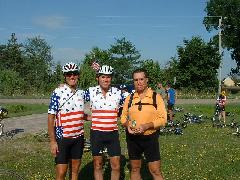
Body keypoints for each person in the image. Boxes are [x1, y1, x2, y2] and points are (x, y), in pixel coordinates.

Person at [121, 68, 167, 180]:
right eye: (136, 80)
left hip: (150, 138)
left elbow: (163, 119)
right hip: (133, 138)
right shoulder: (130, 98)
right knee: (135, 168)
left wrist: (146, 126)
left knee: (155, 170)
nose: (139, 82)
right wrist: (128, 125)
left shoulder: (156, 97)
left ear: (147, 80)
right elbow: (123, 118)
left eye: (141, 79)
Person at [84, 65, 124, 180]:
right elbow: (74, 99)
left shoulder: (118, 92)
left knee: (116, 166)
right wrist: (85, 117)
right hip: (97, 133)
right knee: (98, 165)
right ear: (98, 78)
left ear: (111, 78)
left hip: (112, 133)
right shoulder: (91, 91)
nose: (106, 79)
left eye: (108, 77)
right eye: (103, 77)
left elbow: (132, 101)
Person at [48, 62, 85, 180]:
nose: (72, 76)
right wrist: (53, 141)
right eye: (69, 74)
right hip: (63, 137)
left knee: (75, 170)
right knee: (61, 172)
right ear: (65, 76)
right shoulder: (58, 92)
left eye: (74, 74)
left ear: (78, 75)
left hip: (78, 137)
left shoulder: (81, 92)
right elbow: (51, 117)